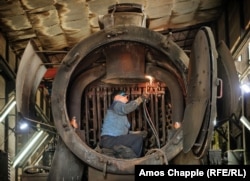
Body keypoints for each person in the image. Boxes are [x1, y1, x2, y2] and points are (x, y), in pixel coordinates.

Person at [99, 90, 147, 159]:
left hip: (112, 139)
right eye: (124, 94)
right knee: (137, 139)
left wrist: (138, 133)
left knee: (138, 137)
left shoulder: (118, 114)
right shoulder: (116, 104)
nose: (127, 96)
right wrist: (140, 99)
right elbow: (126, 108)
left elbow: (122, 132)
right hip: (109, 140)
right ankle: (135, 163)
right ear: (117, 97)